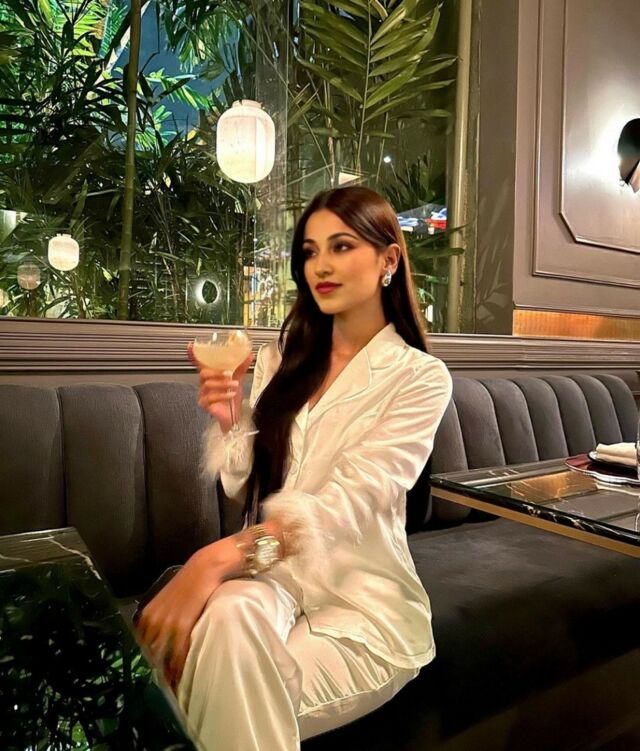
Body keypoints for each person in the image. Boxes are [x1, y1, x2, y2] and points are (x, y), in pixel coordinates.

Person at [135, 186, 453, 751]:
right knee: (232, 611)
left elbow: (349, 501)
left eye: (341, 246)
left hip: (360, 603)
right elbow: (245, 485)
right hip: (274, 582)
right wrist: (231, 419)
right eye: (309, 251)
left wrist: (213, 559)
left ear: (389, 259)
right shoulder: (282, 359)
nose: (320, 265)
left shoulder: (420, 378)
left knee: (219, 651)